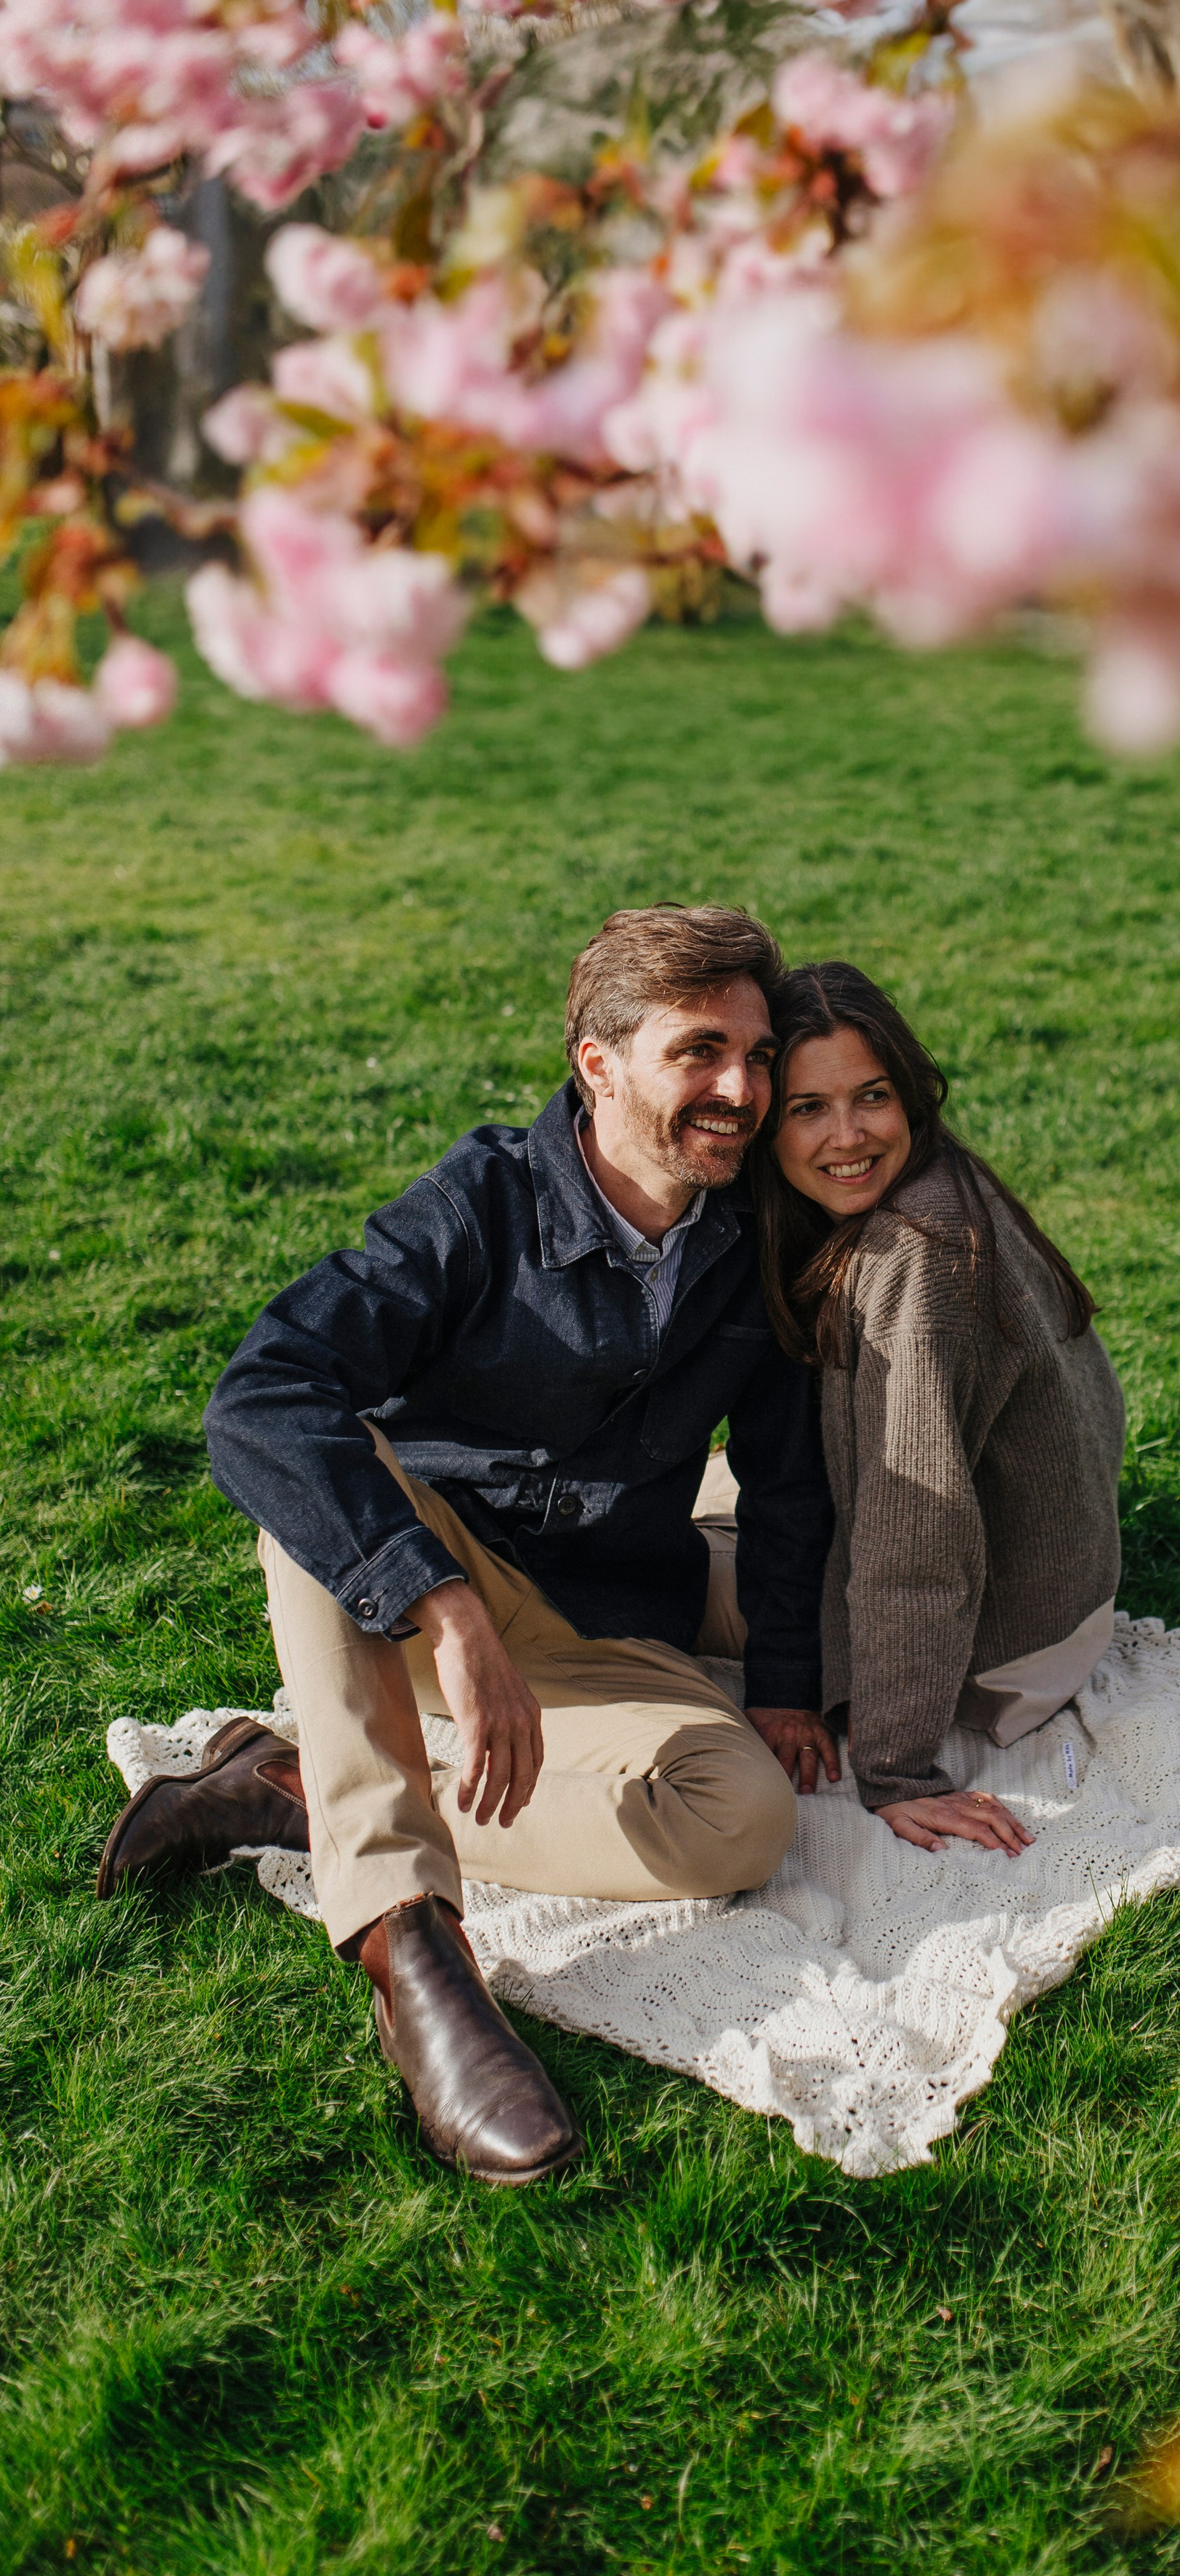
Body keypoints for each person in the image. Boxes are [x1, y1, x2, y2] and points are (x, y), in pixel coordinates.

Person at [97, 905, 838, 2186]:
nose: (742, 1088)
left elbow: (781, 1471)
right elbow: (260, 1397)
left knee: (746, 1821)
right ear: (597, 1064)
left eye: (759, 1055)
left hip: (615, 1603)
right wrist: (442, 1604)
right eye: (699, 1050)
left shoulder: (756, 1222)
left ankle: (290, 1786)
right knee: (318, 1462)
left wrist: (776, 1680)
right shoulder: (479, 1204)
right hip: (446, 1589)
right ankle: (409, 1937)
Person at [751, 961, 1125, 1855]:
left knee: (638, 1566)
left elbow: (915, 1539)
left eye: (870, 1096)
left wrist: (897, 1769)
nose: (847, 1134)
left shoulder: (916, 1260)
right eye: (808, 1107)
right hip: (1057, 1600)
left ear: (911, 1094)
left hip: (1005, 1647)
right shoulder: (941, 1186)